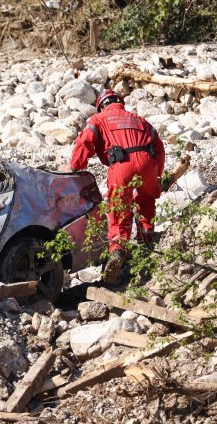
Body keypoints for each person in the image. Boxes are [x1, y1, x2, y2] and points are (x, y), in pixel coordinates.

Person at [68, 89, 165, 284]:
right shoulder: (139, 119)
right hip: (147, 163)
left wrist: (75, 166)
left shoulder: (98, 119)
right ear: (120, 102)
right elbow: (159, 146)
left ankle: (118, 250)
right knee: (146, 200)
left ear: (101, 105)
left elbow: (85, 141)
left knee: (118, 207)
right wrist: (158, 174)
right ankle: (147, 240)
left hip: (122, 165)